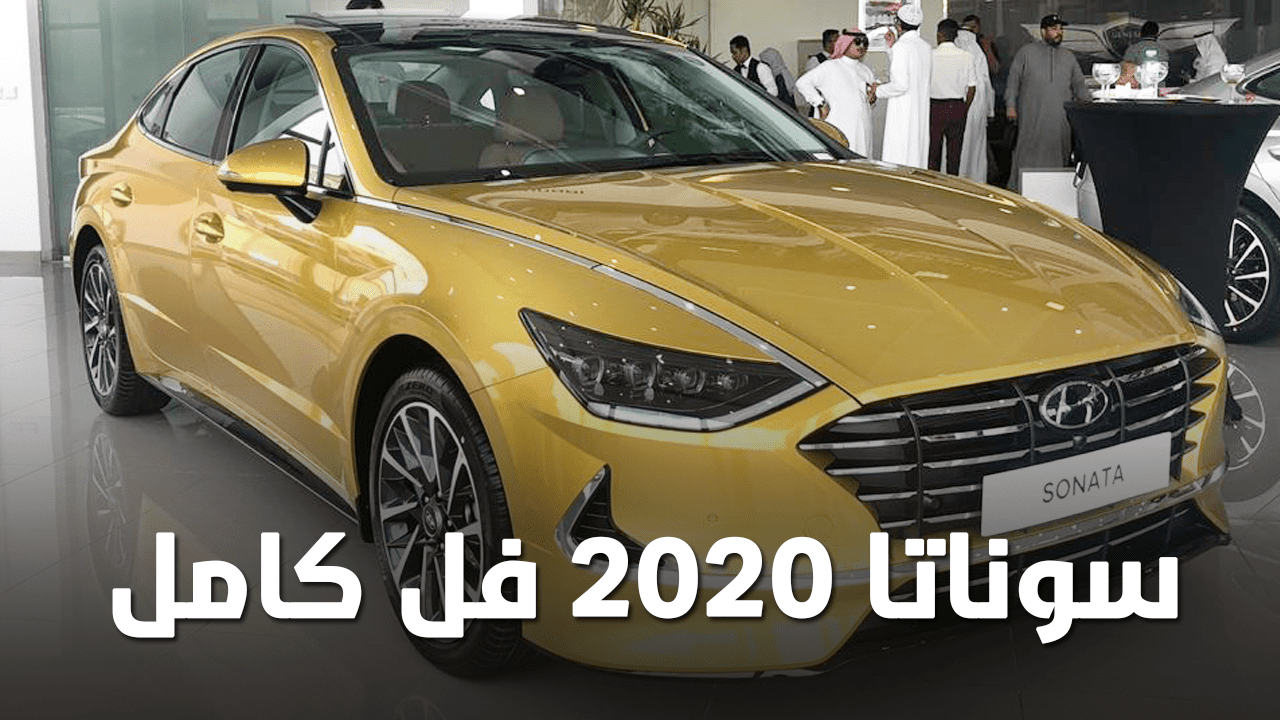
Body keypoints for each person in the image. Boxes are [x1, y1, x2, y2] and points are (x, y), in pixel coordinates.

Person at [1005, 14, 1090, 192]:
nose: (1059, 32)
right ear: (1043, 31)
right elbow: (1013, 82)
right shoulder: (1026, 52)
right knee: (1027, 153)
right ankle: (1021, 192)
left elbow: (1079, 86)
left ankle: (1053, 194)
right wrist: (1010, 106)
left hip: (1060, 120)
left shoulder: (1068, 57)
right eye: (1054, 29)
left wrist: (1092, 107)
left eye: (1060, 29)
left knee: (1059, 154)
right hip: (1031, 117)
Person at [795, 29, 876, 155]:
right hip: (839, 125)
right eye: (857, 42)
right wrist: (820, 104)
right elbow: (802, 83)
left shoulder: (866, 70)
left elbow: (869, 99)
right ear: (845, 43)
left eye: (865, 43)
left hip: (863, 128)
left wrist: (872, 99)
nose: (861, 46)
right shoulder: (830, 66)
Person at [873, 4, 932, 168]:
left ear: (898, 25)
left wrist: (877, 91)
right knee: (916, 154)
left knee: (900, 156)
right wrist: (891, 48)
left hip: (903, 111)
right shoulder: (925, 47)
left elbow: (900, 85)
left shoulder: (902, 47)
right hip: (919, 109)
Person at [929, 19, 976, 175]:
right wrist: (964, 109)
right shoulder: (966, 56)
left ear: (939, 35)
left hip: (935, 107)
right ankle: (953, 184)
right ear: (956, 35)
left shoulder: (930, 55)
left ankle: (933, 184)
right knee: (954, 154)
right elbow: (972, 88)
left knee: (933, 152)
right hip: (957, 106)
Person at [955, 22, 995, 183]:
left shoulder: (954, 47)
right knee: (975, 149)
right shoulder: (977, 50)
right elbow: (985, 83)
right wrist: (990, 110)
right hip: (977, 105)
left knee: (958, 146)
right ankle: (975, 181)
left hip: (957, 103)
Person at [1118, 21, 1169, 88]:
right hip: (1157, 87)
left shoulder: (1133, 48)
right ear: (1157, 33)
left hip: (1136, 87)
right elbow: (1164, 70)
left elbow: (1125, 69)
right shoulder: (1162, 50)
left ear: (1141, 33)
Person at [805, 28, 840, 117]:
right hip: (822, 107)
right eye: (838, 42)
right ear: (830, 43)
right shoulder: (815, 61)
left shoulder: (840, 60)